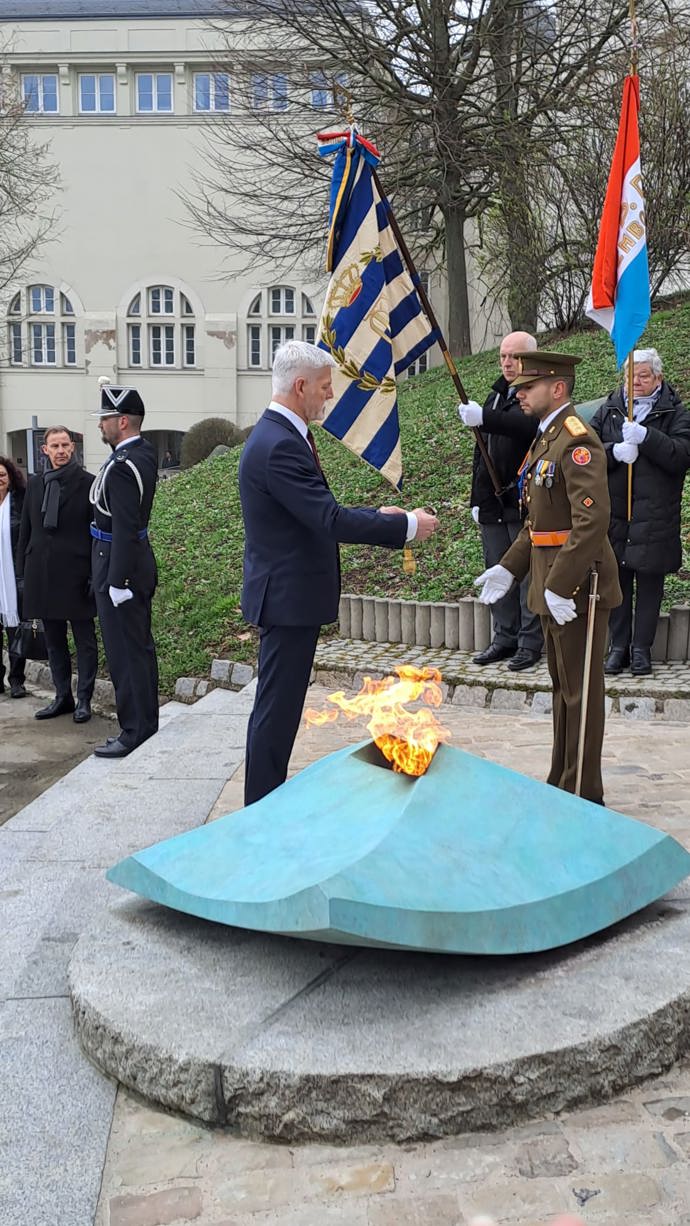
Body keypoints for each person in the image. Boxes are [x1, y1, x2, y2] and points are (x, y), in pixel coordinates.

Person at [239, 339, 439, 806]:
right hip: (287, 600)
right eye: (325, 388)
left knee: (279, 709)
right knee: (276, 712)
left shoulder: (282, 436)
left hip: (288, 596)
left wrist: (382, 514)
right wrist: (404, 526)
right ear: (301, 385)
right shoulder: (278, 445)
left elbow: (312, 513)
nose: (329, 396)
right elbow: (328, 519)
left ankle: (264, 804)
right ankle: (262, 811)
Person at [474, 351, 621, 805]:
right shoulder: (546, 440)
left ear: (557, 389)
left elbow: (590, 524)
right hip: (553, 585)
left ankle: (583, 793)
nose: (518, 393)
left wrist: (560, 584)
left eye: (528, 387)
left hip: (579, 589)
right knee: (562, 690)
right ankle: (562, 780)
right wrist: (508, 567)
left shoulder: (578, 441)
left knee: (581, 692)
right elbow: (539, 524)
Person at [590, 347, 690, 676]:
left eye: (644, 376)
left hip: (656, 515)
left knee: (649, 584)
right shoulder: (610, 409)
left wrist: (647, 437)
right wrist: (614, 451)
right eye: (631, 375)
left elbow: (680, 456)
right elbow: (584, 453)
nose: (635, 382)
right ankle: (618, 647)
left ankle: (641, 649)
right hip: (616, 513)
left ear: (658, 378)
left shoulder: (676, 412)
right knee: (616, 582)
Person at [458, 330, 543, 670]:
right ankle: (504, 637)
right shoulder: (495, 395)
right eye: (504, 356)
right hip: (493, 502)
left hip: (524, 501)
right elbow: (482, 454)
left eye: (515, 356)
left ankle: (529, 642)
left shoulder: (535, 392)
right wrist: (476, 498)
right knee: (497, 571)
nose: (508, 362)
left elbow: (526, 426)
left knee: (525, 575)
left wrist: (486, 418)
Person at [90, 382, 159, 758]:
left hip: (119, 565)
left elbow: (124, 527)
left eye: (105, 419)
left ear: (122, 421)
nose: (101, 426)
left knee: (125, 654)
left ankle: (134, 731)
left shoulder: (122, 465)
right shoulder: (142, 453)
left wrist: (117, 581)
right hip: (131, 560)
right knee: (139, 650)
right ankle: (146, 724)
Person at [16, 427, 97, 723]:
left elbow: (95, 532)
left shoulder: (89, 483)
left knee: (85, 640)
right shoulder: (35, 484)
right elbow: (26, 530)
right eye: (55, 446)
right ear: (45, 450)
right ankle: (63, 696)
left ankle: (84, 699)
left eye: (65, 445)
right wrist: (22, 575)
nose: (61, 450)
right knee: (53, 640)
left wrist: (93, 573)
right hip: (42, 573)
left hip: (77, 573)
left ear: (73, 448)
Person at [0, 457, 27, 698]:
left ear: (10, 478)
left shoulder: (20, 502)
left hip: (15, 576)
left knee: (16, 629)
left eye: (2, 475)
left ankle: (17, 680)